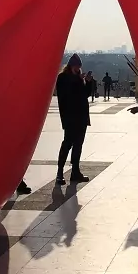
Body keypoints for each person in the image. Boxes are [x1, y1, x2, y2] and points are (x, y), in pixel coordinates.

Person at [55, 54, 91, 185]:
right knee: (67, 143)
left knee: (78, 144)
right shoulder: (63, 78)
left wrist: (88, 82)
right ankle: (59, 172)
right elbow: (67, 94)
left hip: (81, 116)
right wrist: (78, 80)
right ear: (70, 66)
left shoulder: (78, 78)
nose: (78, 68)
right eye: (76, 66)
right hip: (70, 117)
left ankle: (75, 171)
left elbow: (85, 94)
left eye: (79, 66)